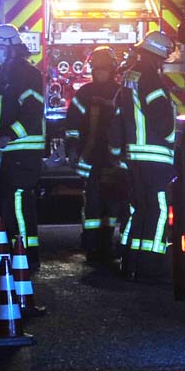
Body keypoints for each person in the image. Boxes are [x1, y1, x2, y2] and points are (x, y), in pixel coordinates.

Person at [108, 32, 177, 281]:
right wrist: (173, 140)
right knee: (158, 211)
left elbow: (116, 120)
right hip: (156, 157)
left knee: (139, 209)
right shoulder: (151, 79)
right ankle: (150, 268)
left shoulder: (130, 78)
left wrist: (116, 153)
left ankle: (131, 263)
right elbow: (162, 119)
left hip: (134, 158)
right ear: (160, 55)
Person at [0, 23, 45, 269]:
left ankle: (25, 258)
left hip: (23, 152)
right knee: (5, 206)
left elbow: (32, 113)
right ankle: (12, 254)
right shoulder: (4, 74)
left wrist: (9, 135)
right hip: (7, 152)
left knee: (19, 205)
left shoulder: (26, 74)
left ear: (11, 48)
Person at [63, 46, 125, 263]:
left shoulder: (120, 92)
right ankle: (93, 245)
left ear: (112, 69)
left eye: (103, 69)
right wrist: (72, 147)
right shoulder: (86, 93)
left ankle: (104, 244)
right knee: (94, 204)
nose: (99, 73)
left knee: (111, 205)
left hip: (110, 158)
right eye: (97, 69)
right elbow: (72, 123)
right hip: (95, 159)